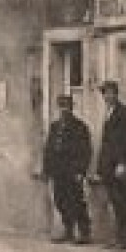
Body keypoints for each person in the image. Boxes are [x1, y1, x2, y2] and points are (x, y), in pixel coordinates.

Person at [40, 94, 92, 243]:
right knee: (60, 200)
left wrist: (81, 171)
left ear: (72, 108)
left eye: (67, 107)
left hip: (73, 171)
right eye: (61, 106)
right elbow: (48, 149)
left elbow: (86, 151)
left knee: (77, 201)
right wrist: (46, 170)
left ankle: (84, 232)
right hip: (58, 171)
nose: (64, 110)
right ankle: (68, 230)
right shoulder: (54, 127)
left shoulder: (80, 127)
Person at [95, 79, 126, 249]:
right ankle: (119, 237)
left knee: (122, 201)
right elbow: (106, 142)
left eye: (110, 93)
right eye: (105, 93)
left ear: (116, 94)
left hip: (119, 165)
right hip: (108, 165)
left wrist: (122, 163)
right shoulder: (108, 113)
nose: (107, 96)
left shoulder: (125, 113)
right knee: (115, 201)